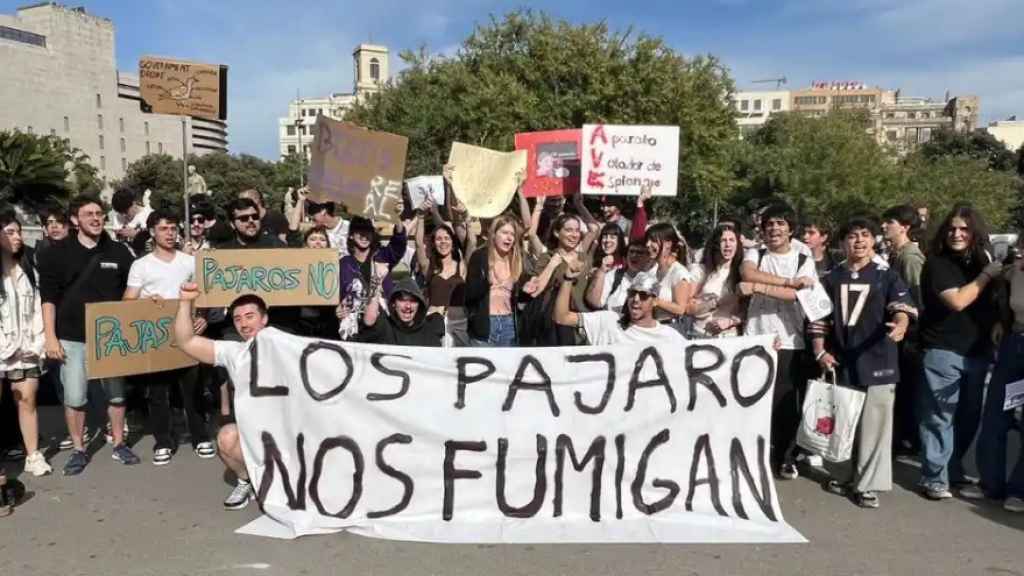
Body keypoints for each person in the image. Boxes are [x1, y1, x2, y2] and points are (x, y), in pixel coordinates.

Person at [809, 217, 915, 509]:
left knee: (875, 425)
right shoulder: (831, 277)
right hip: (841, 361)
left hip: (880, 360)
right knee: (842, 423)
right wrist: (820, 351)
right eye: (853, 236)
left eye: (865, 235)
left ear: (874, 240)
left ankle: (869, 485)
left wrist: (901, 324)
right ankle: (843, 476)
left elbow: (902, 307)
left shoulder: (886, 275)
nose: (859, 241)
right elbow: (819, 320)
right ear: (843, 242)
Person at [37, 195, 140, 475]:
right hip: (71, 337)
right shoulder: (55, 253)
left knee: (116, 395)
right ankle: (79, 449)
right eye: (88, 214)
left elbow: (133, 290)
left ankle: (119, 443)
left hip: (111, 337)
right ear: (74, 220)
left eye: (99, 213)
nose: (96, 219)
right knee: (74, 396)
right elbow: (48, 299)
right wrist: (50, 337)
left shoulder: (118, 252)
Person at [917, 205, 1002, 500]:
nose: (957, 233)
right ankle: (934, 477)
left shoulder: (981, 261)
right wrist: (987, 275)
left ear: (975, 232)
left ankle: (952, 470)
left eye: (964, 229)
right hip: (942, 350)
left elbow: (993, 301)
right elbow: (958, 301)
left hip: (977, 352)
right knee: (940, 417)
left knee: (968, 418)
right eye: (952, 228)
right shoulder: (938, 264)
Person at [123, 209, 215, 465]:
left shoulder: (189, 261)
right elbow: (127, 301)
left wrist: (204, 316)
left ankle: (200, 437)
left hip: (187, 335)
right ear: (152, 232)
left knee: (193, 389)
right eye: (164, 229)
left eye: (173, 229)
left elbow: (204, 294)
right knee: (157, 393)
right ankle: (163, 441)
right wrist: (146, 301)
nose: (170, 233)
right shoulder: (140, 265)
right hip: (156, 338)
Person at [738, 202, 819, 479]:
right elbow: (747, 274)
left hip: (789, 339)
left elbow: (799, 294)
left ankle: (785, 456)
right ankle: (755, 455)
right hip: (755, 337)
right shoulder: (754, 252)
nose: (774, 228)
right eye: (770, 223)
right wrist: (787, 282)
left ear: (790, 229)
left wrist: (760, 288)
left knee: (785, 404)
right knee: (754, 400)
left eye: (780, 223)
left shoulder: (803, 258)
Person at [173, 286, 271, 509]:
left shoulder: (289, 347)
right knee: (226, 437)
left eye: (250, 316)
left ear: (264, 319)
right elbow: (186, 341)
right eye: (237, 319)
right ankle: (246, 480)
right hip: (254, 434)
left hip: (290, 436)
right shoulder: (233, 351)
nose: (244, 324)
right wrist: (185, 303)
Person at [969, 235, 1024, 512]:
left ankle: (1020, 490)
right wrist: (1002, 323)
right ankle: (991, 483)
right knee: (996, 414)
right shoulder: (1014, 272)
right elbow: (1002, 297)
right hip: (1014, 343)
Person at [0, 213, 50, 476]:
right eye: (10, 232)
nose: (18, 237)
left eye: (18, 231)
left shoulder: (29, 267)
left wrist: (38, 342)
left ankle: (33, 455)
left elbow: (38, 308)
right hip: (3, 348)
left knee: (27, 400)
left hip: (26, 348)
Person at [882, 204, 927, 455]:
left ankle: (908, 441)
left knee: (907, 390)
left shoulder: (910, 257)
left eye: (890, 222)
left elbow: (917, 300)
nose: (884, 226)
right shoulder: (895, 254)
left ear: (905, 227)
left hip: (909, 337)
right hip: (897, 334)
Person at [555, 264, 686, 347]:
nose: (635, 299)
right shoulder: (608, 321)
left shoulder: (670, 338)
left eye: (643, 295)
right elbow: (562, 317)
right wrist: (568, 279)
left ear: (655, 301)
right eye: (632, 293)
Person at [414, 204, 474, 347]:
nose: (443, 242)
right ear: (433, 243)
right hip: (433, 322)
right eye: (439, 239)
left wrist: (466, 217)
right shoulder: (428, 266)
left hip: (458, 323)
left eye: (447, 238)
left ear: (453, 243)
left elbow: (471, 242)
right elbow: (417, 243)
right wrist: (421, 216)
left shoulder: (462, 266)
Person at [338, 216, 408, 339]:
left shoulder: (382, 256)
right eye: (360, 231)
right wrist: (337, 309)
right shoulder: (343, 264)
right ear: (351, 235)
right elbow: (337, 293)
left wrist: (396, 216)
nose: (365, 236)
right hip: (355, 327)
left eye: (368, 232)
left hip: (384, 322)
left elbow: (399, 244)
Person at [465, 215, 528, 347]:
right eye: (504, 233)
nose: (509, 238)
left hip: (509, 324)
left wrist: (526, 290)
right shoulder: (480, 257)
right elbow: (469, 294)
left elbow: (519, 298)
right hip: (485, 325)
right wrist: (485, 282)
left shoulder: (516, 260)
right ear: (493, 234)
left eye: (512, 234)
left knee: (508, 367)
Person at [358, 263, 444, 346]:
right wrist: (377, 283)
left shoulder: (429, 331)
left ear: (419, 305)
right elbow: (369, 321)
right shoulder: (385, 327)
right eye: (403, 300)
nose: (408, 306)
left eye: (413, 301)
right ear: (393, 304)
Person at [689, 224, 745, 338]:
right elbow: (687, 308)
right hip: (700, 334)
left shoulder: (741, 273)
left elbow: (746, 310)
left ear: (737, 244)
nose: (728, 244)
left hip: (729, 337)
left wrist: (730, 322)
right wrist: (710, 304)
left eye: (732, 240)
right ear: (715, 244)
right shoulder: (700, 270)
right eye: (723, 240)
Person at [644, 222, 695, 327]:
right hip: (653, 327)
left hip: (671, 329)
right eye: (647, 240)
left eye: (653, 240)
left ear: (668, 243)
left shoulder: (679, 273)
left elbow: (681, 309)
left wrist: (657, 302)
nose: (647, 244)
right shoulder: (653, 270)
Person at [586, 238, 652, 314]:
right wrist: (602, 271)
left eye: (640, 253)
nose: (634, 255)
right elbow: (594, 302)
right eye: (631, 251)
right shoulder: (614, 275)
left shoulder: (652, 279)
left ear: (648, 258)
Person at [297, 226, 340, 339]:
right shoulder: (296, 264)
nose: (317, 243)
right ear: (305, 244)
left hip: (328, 321)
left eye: (322, 239)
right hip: (302, 321)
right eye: (313, 239)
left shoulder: (337, 265)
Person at [109, 188, 153, 252]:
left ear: (134, 203)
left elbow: (157, 245)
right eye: (120, 212)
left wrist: (136, 235)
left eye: (125, 211)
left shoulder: (149, 215)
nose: (123, 215)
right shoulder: (118, 217)